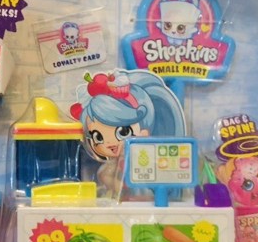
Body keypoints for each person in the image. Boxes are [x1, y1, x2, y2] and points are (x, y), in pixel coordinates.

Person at [70, 69, 185, 198]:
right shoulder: (115, 163)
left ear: (144, 131)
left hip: (142, 197)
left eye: (123, 132)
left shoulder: (144, 159)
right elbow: (104, 176)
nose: (109, 142)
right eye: (98, 137)